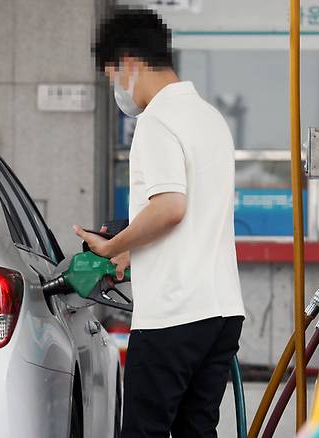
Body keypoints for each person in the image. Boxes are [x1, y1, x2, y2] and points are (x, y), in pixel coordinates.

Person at [74, 6, 245, 437]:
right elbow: (195, 215)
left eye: (112, 75)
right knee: (197, 430)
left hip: (173, 313)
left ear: (129, 63)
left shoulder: (156, 121)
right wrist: (131, 252)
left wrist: (111, 246)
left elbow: (170, 207)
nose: (115, 87)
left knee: (143, 430)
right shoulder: (209, 118)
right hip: (222, 311)